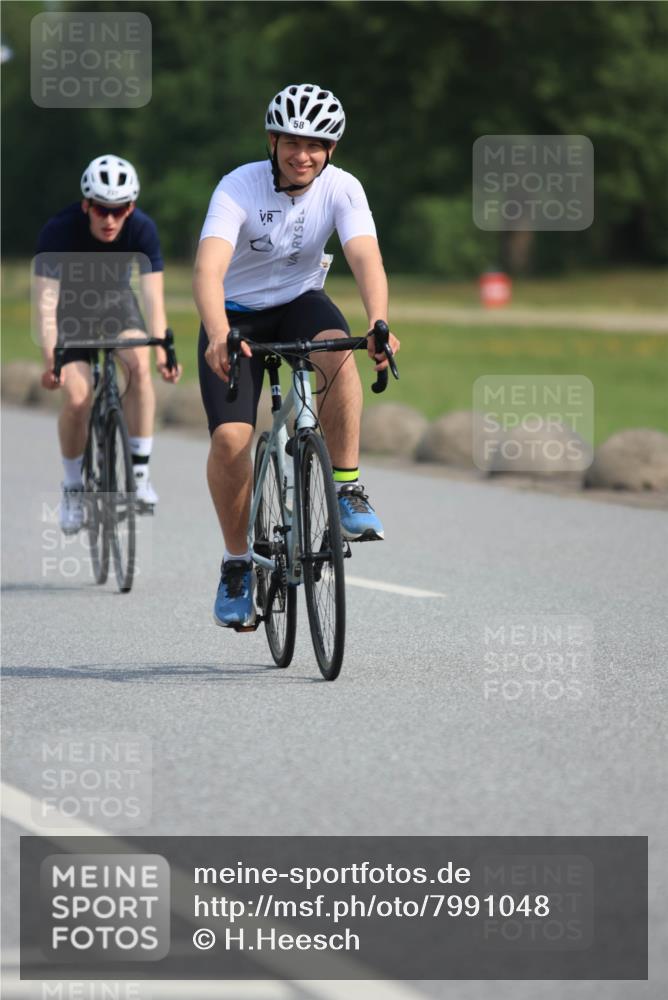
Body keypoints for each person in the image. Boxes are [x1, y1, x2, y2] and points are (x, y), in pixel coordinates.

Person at [193, 83, 400, 628]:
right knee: (231, 439)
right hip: (234, 316)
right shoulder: (238, 187)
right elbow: (208, 270)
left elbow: (366, 258)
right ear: (273, 139)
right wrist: (217, 332)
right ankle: (237, 564)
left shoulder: (342, 188)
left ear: (331, 149)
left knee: (339, 352)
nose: (302, 155)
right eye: (292, 142)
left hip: (300, 303)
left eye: (316, 144)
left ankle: (347, 485)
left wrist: (379, 323)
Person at [35, 154, 181, 534]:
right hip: (70, 312)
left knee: (139, 369)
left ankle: (140, 474)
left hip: (117, 307)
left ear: (131, 207)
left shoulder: (143, 229)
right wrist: (51, 357)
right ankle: (72, 487)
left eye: (120, 209)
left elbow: (153, 300)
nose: (111, 219)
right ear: (87, 205)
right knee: (79, 397)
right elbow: (46, 304)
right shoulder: (59, 230)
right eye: (102, 209)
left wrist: (164, 347)